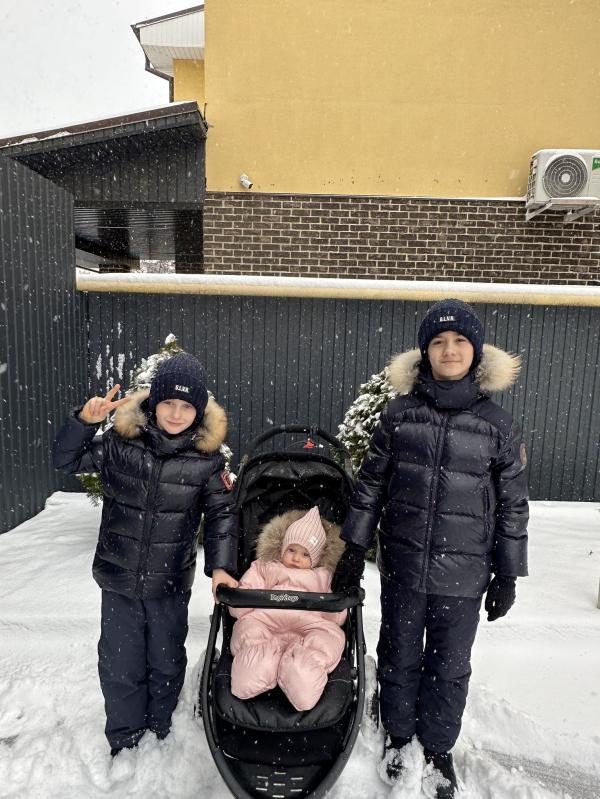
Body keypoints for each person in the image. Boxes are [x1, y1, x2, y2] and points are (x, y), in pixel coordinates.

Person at [332, 299, 528, 798]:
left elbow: (513, 505)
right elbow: (371, 486)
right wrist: (353, 547)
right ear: (425, 352)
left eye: (460, 341)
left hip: (464, 575)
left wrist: (508, 573)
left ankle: (439, 749)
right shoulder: (399, 416)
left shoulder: (498, 426)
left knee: (450, 666)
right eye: (438, 341)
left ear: (476, 351)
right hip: (404, 566)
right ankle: (399, 738)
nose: (449, 350)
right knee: (398, 655)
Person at [52, 353, 239, 756]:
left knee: (165, 661)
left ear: (199, 410)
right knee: (120, 664)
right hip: (119, 579)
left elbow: (222, 516)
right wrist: (84, 422)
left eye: (186, 405)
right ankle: (124, 736)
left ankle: (161, 726)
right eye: (168, 402)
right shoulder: (121, 444)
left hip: (169, 583)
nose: (176, 413)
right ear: (154, 402)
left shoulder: (207, 462)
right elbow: (65, 460)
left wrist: (222, 567)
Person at [230, 506, 347, 712]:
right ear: (282, 547)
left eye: (305, 554)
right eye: (291, 550)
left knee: (327, 638)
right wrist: (238, 599)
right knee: (248, 629)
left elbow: (335, 616)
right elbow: (245, 593)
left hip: (309, 627)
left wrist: (337, 608)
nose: (296, 558)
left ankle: (301, 670)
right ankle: (258, 662)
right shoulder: (266, 567)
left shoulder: (323, 576)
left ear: (316, 558)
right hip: (266, 622)